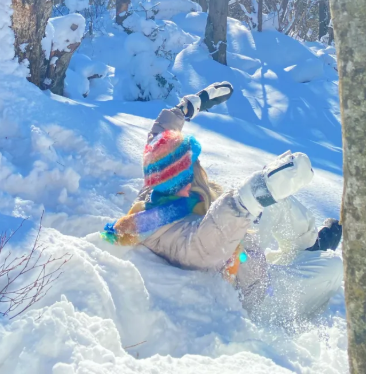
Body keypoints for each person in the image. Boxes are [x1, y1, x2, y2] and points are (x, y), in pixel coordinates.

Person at [103, 82, 343, 322]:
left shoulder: (158, 188)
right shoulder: (171, 234)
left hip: (242, 249)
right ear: (186, 176)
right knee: (334, 267)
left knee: (279, 204)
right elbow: (210, 237)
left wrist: (187, 107)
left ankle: (310, 246)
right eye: (193, 164)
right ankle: (311, 263)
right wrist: (255, 194)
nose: (199, 167)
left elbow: (158, 136)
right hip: (255, 292)